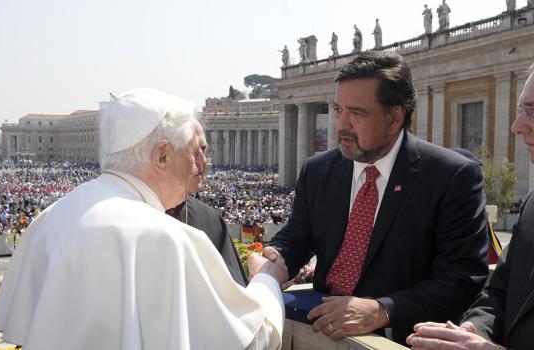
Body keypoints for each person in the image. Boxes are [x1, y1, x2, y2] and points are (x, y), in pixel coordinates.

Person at [0, 88, 288, 349]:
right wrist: (266, 279)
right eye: (195, 152)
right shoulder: (168, 238)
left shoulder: (50, 218)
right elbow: (251, 341)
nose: (202, 164)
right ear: (162, 156)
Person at [266, 51, 489, 344]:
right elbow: (296, 239)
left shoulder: (451, 177)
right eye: (338, 110)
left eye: (356, 113)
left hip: (398, 338)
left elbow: (461, 281)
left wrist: (382, 309)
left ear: (394, 116)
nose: (341, 125)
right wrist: (275, 260)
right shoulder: (319, 170)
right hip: (320, 333)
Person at [406, 63, 534, 350]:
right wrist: (472, 330)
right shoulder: (531, 206)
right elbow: (498, 294)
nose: (516, 126)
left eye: (532, 111)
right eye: (521, 110)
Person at [166, 119, 249, 286]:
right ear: (162, 155)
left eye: (204, 150)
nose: (204, 161)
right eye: (195, 152)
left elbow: (235, 294)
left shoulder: (211, 220)